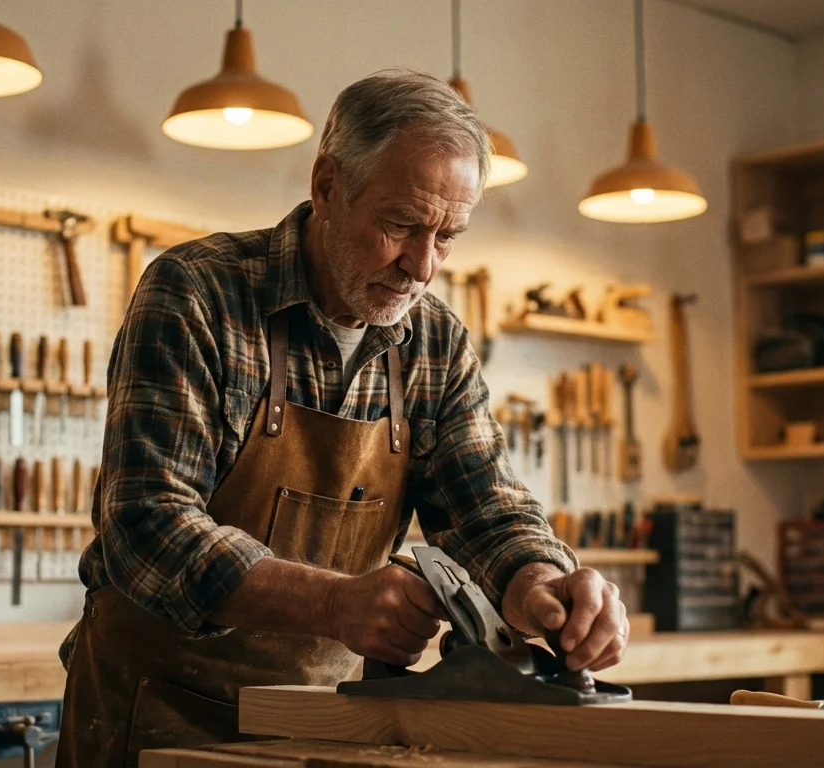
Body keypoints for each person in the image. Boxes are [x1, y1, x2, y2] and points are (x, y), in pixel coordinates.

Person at [57, 69, 629, 767]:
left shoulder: (436, 342)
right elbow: (146, 527)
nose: (422, 267)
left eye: (448, 236)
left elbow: (483, 510)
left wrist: (539, 581)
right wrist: (334, 604)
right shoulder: (196, 293)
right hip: (154, 716)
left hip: (321, 726)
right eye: (401, 224)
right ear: (326, 186)